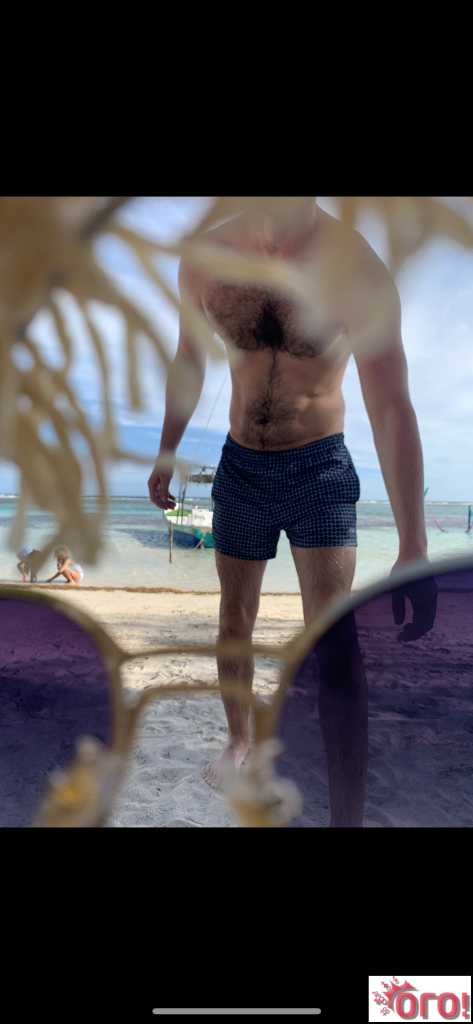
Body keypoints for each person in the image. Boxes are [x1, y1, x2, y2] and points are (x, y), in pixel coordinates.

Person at [148, 197, 435, 826]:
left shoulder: (356, 268)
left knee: (334, 642)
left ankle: (345, 816)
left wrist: (413, 546)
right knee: (234, 620)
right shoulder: (206, 260)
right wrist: (167, 448)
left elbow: (391, 405)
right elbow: (189, 358)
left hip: (320, 468)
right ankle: (239, 741)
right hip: (240, 467)